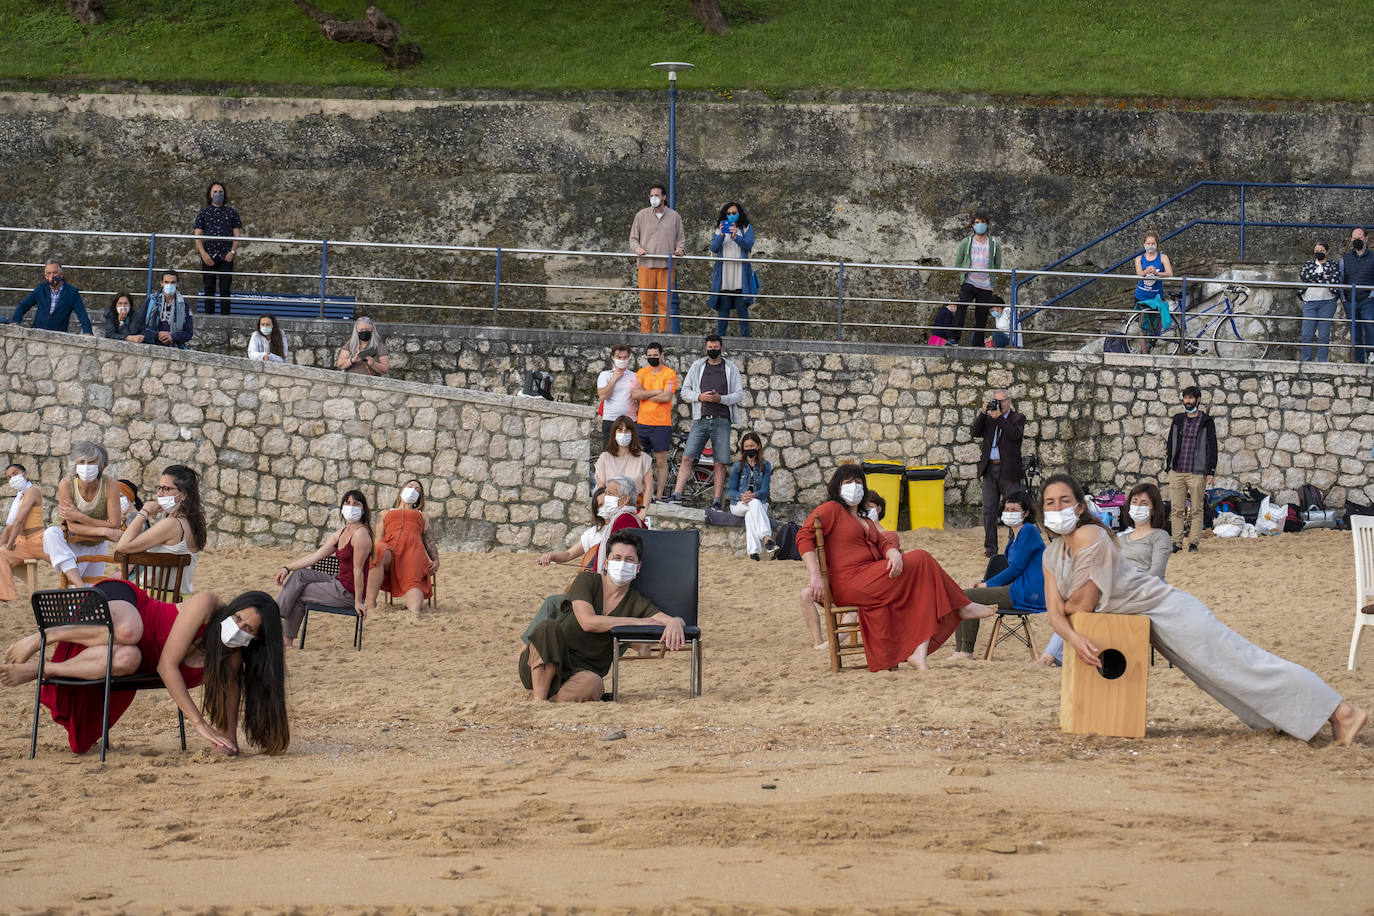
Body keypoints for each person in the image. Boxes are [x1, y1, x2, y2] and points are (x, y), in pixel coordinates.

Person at [1040, 472, 1366, 745]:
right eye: (1050, 503)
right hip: (1146, 626)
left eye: (1064, 501)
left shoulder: (1090, 534)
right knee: (1221, 680)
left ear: (1080, 507)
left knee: (1245, 664)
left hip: (1169, 611)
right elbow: (1056, 612)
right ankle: (1297, 719)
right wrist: (1072, 637)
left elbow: (1081, 603)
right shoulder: (1051, 554)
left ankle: (1343, 711)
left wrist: (1066, 615)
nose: (1057, 509)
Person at [1, 580, 289, 756]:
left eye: (247, 628)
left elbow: (229, 713)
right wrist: (200, 725)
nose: (237, 627)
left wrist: (226, 743)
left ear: (257, 639)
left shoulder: (231, 659)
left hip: (126, 654)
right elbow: (166, 666)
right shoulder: (207, 604)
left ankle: (45, 669)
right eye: (237, 617)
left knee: (128, 659)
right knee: (129, 631)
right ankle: (45, 636)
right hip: (124, 606)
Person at [797, 465, 996, 671]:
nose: (854, 487)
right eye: (848, 483)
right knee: (921, 558)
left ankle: (919, 653)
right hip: (850, 582)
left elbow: (883, 543)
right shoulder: (832, 509)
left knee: (922, 586)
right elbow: (803, 536)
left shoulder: (864, 519)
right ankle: (961, 606)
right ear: (837, 487)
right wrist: (815, 576)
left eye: (858, 482)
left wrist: (892, 552)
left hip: (870, 578)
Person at [519, 531, 687, 702]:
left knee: (595, 684)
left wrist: (675, 621)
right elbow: (587, 622)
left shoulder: (637, 601)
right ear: (606, 563)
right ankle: (539, 699)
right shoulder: (587, 581)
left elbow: (668, 620)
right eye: (617, 558)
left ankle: (552, 702)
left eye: (629, 560)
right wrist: (636, 621)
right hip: (545, 662)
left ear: (638, 567)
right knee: (548, 626)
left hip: (582, 673)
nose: (622, 564)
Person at [1038, 481, 1171, 666]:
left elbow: (1156, 571)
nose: (1138, 507)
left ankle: (1052, 655)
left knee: (1077, 606)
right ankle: (1058, 654)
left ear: (1154, 509)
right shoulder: (1122, 537)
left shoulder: (1160, 536)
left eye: (1144, 503)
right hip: (1113, 585)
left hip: (1141, 588)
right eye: (1135, 502)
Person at [950, 490, 1046, 660]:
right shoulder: (1014, 536)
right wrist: (983, 581)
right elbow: (1010, 569)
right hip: (1016, 587)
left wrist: (986, 585)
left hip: (1027, 592)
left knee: (966, 595)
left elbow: (1015, 569)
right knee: (963, 594)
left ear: (1026, 513)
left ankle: (966, 651)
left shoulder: (1028, 531)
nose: (1009, 513)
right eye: (1007, 509)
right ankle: (960, 650)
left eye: (1014, 510)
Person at [274, 489, 373, 647]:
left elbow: (358, 570)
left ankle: (279, 631)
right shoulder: (341, 533)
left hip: (348, 592)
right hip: (337, 581)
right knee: (299, 575)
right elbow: (315, 556)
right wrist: (287, 568)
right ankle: (276, 618)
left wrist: (358, 601)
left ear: (363, 510)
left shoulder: (361, 535)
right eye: (347, 503)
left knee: (298, 593)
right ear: (342, 507)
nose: (351, 506)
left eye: (356, 503)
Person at [666, 334, 744, 510]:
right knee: (687, 457)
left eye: (716, 347)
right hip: (701, 419)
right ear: (705, 348)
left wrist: (721, 399)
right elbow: (685, 391)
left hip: (722, 420)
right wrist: (700, 397)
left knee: (720, 462)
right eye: (710, 347)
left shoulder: (730, 368)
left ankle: (717, 501)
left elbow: (739, 394)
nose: (713, 350)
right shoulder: (697, 366)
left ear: (722, 348)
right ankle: (676, 495)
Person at [799, 491, 884, 650]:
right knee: (805, 595)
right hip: (835, 584)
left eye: (872, 507)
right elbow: (804, 536)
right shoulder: (838, 520)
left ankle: (831, 645)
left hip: (860, 584)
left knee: (851, 611)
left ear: (878, 509)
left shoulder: (871, 525)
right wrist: (815, 575)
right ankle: (818, 642)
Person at [113, 465, 207, 595]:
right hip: (178, 600)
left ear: (183, 495)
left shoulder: (171, 525)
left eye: (166, 489)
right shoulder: (193, 524)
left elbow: (122, 546)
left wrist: (144, 511)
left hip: (151, 599)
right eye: (159, 488)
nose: (159, 494)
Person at [42, 441, 123, 588]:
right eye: (81, 462)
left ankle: (79, 586)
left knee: (90, 590)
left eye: (91, 462)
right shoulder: (66, 484)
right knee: (50, 533)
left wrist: (79, 517)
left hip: (97, 542)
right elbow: (72, 527)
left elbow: (115, 524)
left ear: (101, 465)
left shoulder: (110, 484)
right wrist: (105, 530)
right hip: (73, 541)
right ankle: (78, 583)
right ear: (75, 464)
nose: (86, 466)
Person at [365, 479, 437, 613]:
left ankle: (412, 605)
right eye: (410, 486)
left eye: (417, 489)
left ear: (419, 497)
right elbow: (378, 538)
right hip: (389, 553)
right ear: (402, 490)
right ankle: (370, 605)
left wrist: (436, 560)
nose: (413, 489)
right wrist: (372, 558)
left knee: (415, 608)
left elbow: (429, 540)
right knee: (379, 551)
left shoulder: (423, 515)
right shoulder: (385, 513)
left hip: (413, 554)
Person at [971, 388, 1026, 558]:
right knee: (988, 509)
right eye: (996, 400)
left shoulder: (1018, 418)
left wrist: (1000, 418)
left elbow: (1015, 436)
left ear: (1009, 401)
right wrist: (983, 412)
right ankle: (990, 548)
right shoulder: (989, 417)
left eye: (1002, 401)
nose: (999, 404)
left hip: (1008, 470)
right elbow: (974, 432)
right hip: (989, 468)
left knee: (1013, 510)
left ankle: (1013, 544)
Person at [1165, 385, 1217, 554]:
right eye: (1185, 398)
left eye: (1191, 398)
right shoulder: (1178, 419)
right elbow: (1170, 442)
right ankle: (1177, 542)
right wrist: (1169, 465)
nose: (1188, 401)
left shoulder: (1207, 421)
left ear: (1198, 400)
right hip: (1177, 470)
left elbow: (1212, 446)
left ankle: (1194, 542)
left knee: (1196, 509)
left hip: (1197, 471)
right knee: (1176, 509)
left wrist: (1211, 470)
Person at [629, 183, 685, 334]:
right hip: (646, 264)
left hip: (666, 266)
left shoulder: (674, 216)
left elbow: (681, 239)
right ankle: (645, 332)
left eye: (657, 196)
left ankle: (664, 333)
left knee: (665, 302)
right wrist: (638, 249)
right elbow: (633, 238)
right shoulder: (641, 215)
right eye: (651, 196)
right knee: (646, 301)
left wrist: (680, 250)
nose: (653, 198)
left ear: (664, 197)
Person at [632, 341, 678, 502]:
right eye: (649, 356)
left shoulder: (670, 374)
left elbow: (666, 396)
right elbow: (635, 394)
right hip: (642, 423)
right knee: (640, 461)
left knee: (660, 461)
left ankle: (658, 496)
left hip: (661, 424)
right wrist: (656, 392)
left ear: (662, 355)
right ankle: (642, 495)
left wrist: (647, 394)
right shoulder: (642, 372)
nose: (652, 358)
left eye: (655, 356)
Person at [951, 213, 1004, 347]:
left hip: (985, 285)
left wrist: (992, 279)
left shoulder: (994, 244)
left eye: (983, 222)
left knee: (981, 316)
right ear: (973, 225)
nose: (980, 225)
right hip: (969, 282)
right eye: (977, 222)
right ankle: (954, 339)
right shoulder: (966, 242)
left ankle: (977, 344)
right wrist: (962, 276)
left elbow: (997, 263)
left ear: (987, 225)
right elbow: (958, 261)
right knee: (961, 308)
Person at [193, 180, 244, 315]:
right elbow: (197, 235)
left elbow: (237, 235)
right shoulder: (203, 213)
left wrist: (232, 252)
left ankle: (225, 317)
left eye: (220, 192)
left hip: (226, 256)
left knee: (225, 288)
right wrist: (203, 254)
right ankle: (209, 316)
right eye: (215, 192)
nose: (218, 194)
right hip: (208, 256)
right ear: (210, 195)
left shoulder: (232, 213)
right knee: (209, 287)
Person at [707, 201, 758, 337]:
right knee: (723, 314)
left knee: (743, 312)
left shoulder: (746, 228)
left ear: (739, 214)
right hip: (725, 279)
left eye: (734, 213)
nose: (731, 216)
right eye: (728, 214)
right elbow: (714, 248)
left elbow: (748, 245)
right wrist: (722, 234)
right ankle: (720, 342)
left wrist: (736, 237)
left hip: (740, 279)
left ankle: (746, 341)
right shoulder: (719, 230)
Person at [5, 260, 92, 334]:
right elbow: (24, 305)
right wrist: (15, 321)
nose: (52, 276)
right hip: (38, 333)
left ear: (61, 274)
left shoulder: (72, 292)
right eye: (49, 273)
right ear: (45, 276)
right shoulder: (40, 289)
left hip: (59, 336)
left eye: (54, 273)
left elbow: (82, 314)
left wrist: (87, 332)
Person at [727, 430, 776, 560]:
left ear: (758, 446)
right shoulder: (738, 466)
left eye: (752, 446)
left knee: (750, 515)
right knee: (753, 504)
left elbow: (765, 490)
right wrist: (741, 496)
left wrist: (753, 495)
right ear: (743, 448)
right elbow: (730, 490)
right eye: (747, 446)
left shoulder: (765, 465)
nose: (749, 449)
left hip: (759, 503)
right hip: (738, 505)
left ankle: (754, 553)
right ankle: (767, 539)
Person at [0, 463, 45, 604]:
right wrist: (3, 546)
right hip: (22, 543)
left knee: (68, 564)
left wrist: (10, 543)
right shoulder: (19, 497)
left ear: (25, 474)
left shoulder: (33, 491)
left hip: (38, 541)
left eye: (15, 474)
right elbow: (10, 526)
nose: (12, 478)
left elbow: (19, 521)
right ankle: (6, 594)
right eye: (8, 477)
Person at [595, 415, 653, 503]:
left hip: (636, 507)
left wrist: (643, 512)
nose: (623, 433)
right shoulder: (604, 458)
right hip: (611, 507)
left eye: (627, 430)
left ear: (632, 433)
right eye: (620, 430)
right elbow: (601, 488)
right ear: (614, 433)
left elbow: (649, 488)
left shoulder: (643, 458)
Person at [1299, 242, 1341, 363]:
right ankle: (1306, 361)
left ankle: (1322, 362)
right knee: (1307, 334)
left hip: (1327, 303)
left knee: (1323, 334)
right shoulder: (1308, 264)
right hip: (1309, 302)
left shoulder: (1333, 264)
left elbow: (1335, 278)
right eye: (1316, 251)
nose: (1318, 253)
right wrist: (1324, 276)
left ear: (1327, 252)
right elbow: (1304, 276)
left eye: (1321, 251)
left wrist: (1315, 278)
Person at [1133, 230, 1174, 353]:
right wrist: (1146, 271)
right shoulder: (1139, 258)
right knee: (1143, 326)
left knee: (1157, 323)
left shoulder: (1163, 257)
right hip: (1142, 296)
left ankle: (1151, 343)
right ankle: (1144, 351)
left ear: (1157, 244)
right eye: (1148, 243)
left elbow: (1170, 273)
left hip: (1156, 296)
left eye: (1153, 243)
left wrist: (1157, 273)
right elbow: (1140, 273)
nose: (1150, 246)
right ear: (1144, 244)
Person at [1338, 227, 1374, 364]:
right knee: (1355, 333)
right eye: (1354, 238)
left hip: (1368, 300)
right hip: (1349, 301)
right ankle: (1359, 362)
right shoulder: (1345, 258)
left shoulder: (1373, 257)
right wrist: (1343, 298)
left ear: (1366, 239)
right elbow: (1340, 279)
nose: (1356, 240)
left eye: (1359, 237)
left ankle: (1372, 355)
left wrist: (1372, 295)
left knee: (1370, 326)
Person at [595, 343, 637, 451]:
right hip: (611, 420)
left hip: (630, 421)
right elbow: (603, 395)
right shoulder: (605, 375)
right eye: (619, 357)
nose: (622, 360)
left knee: (630, 455)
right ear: (613, 358)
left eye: (625, 357)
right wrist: (614, 379)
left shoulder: (634, 376)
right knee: (609, 455)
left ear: (629, 358)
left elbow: (639, 399)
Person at [139, 269, 195, 348]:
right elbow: (139, 325)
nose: (169, 285)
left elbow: (188, 333)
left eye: (172, 283)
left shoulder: (184, 305)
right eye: (166, 282)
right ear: (161, 283)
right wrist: (158, 334)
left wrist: (172, 336)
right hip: (152, 344)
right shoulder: (151, 302)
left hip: (175, 346)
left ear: (177, 284)